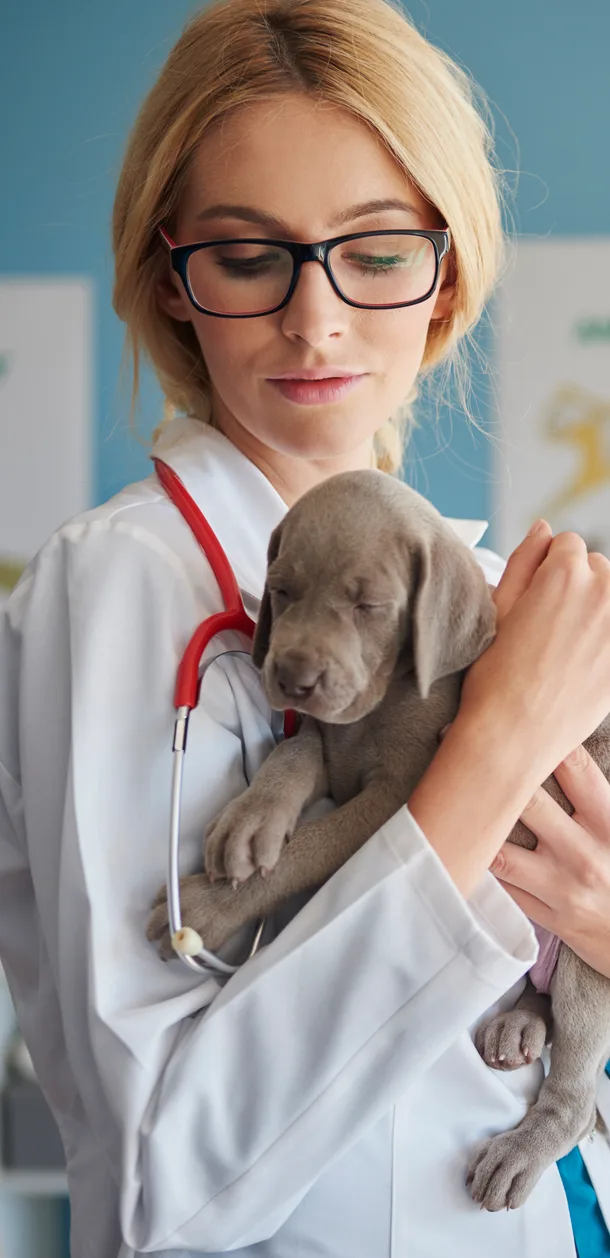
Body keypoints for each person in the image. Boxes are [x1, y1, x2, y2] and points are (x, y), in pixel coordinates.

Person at [1, 0, 610, 1254]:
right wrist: (491, 751)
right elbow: (158, 1185)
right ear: (171, 278)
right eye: (246, 255)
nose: (315, 318)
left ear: (447, 270)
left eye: (376, 251)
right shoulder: (122, 583)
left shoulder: (481, 597)